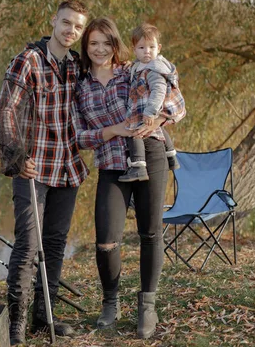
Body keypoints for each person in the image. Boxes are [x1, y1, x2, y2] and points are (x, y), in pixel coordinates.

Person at [73, 17, 185, 339]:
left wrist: (159, 118)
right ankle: (111, 302)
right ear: (86, 47)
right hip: (111, 164)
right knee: (106, 240)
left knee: (150, 233)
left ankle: (147, 305)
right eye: (93, 43)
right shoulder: (80, 86)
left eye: (106, 43)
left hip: (150, 155)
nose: (100, 49)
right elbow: (79, 136)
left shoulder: (133, 70)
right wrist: (112, 130)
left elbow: (178, 103)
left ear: (116, 45)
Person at [0, 0, 90, 346]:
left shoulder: (77, 64)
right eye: (66, 23)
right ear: (54, 20)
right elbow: (5, 110)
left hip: (67, 168)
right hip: (33, 167)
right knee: (29, 245)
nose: (71, 31)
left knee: (55, 243)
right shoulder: (29, 60)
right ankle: (17, 320)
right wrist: (18, 156)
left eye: (77, 27)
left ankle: (42, 317)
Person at [118, 23, 183, 182]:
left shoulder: (154, 69)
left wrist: (150, 112)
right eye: (141, 48)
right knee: (157, 128)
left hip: (146, 110)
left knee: (134, 132)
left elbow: (159, 91)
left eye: (151, 47)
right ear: (134, 49)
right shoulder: (140, 66)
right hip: (146, 109)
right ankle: (171, 155)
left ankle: (138, 166)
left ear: (158, 48)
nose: (147, 51)